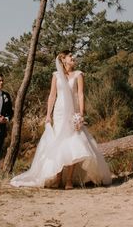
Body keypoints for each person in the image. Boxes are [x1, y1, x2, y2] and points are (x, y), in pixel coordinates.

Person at [10, 51, 112, 189]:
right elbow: (52, 95)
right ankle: (58, 178)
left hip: (72, 113)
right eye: (71, 57)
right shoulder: (56, 75)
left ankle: (69, 179)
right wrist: (48, 115)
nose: (73, 58)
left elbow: (80, 94)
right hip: (59, 112)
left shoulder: (78, 74)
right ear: (63, 60)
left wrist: (81, 114)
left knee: (73, 143)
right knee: (59, 143)